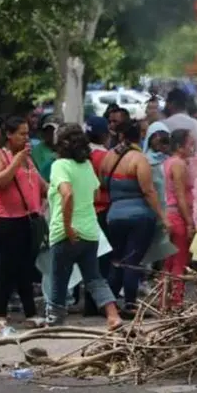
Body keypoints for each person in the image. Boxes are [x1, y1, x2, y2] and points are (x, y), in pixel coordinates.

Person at [45, 124, 122, 329]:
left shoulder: (60, 165)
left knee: (59, 279)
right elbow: (96, 193)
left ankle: (55, 323)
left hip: (66, 232)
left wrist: (68, 226)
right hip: (90, 232)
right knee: (94, 278)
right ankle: (113, 315)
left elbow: (67, 193)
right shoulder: (87, 165)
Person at [100, 120, 169, 316]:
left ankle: (110, 304)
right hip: (140, 217)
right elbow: (148, 191)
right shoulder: (139, 159)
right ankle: (130, 304)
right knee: (132, 261)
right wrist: (162, 217)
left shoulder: (108, 157)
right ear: (140, 137)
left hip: (114, 215)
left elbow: (102, 184)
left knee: (116, 260)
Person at [0, 116, 47, 330]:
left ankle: (31, 312)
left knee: (25, 267)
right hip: (7, 220)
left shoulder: (28, 159)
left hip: (28, 219)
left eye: (27, 134)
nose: (26, 138)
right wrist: (16, 161)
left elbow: (42, 185)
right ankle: (1, 315)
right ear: (9, 135)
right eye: (21, 134)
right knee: (7, 267)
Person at [162, 130, 196, 309]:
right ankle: (176, 302)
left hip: (170, 214)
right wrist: (189, 222)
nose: (192, 147)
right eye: (190, 143)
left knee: (168, 261)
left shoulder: (168, 162)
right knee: (179, 261)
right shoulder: (179, 165)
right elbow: (181, 196)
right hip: (178, 217)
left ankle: (164, 301)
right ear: (180, 146)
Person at [83, 116, 113, 317]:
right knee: (102, 260)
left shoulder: (81, 157)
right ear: (105, 135)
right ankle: (100, 304)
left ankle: (88, 304)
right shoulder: (106, 157)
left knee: (88, 259)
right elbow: (107, 183)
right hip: (103, 210)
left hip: (84, 212)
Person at [163, 88, 197, 155]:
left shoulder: (164, 124)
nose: (165, 105)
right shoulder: (195, 123)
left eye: (167, 102)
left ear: (172, 104)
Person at [31, 114, 60, 182]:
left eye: (54, 130)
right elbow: (42, 174)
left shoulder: (65, 147)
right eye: (48, 130)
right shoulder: (38, 150)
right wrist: (53, 158)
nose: (51, 133)